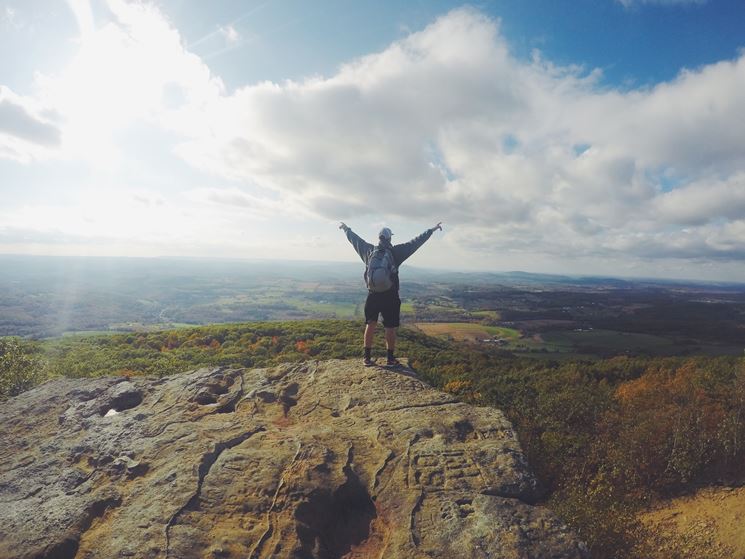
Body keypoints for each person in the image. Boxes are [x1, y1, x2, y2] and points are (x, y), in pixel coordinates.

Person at [339, 221, 443, 366]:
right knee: (390, 327)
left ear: (379, 237)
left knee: (370, 324)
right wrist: (431, 230)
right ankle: (390, 359)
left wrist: (345, 229)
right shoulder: (396, 252)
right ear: (390, 238)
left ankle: (367, 358)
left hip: (372, 295)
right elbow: (415, 242)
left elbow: (354, 240)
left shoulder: (368, 251)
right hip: (390, 295)